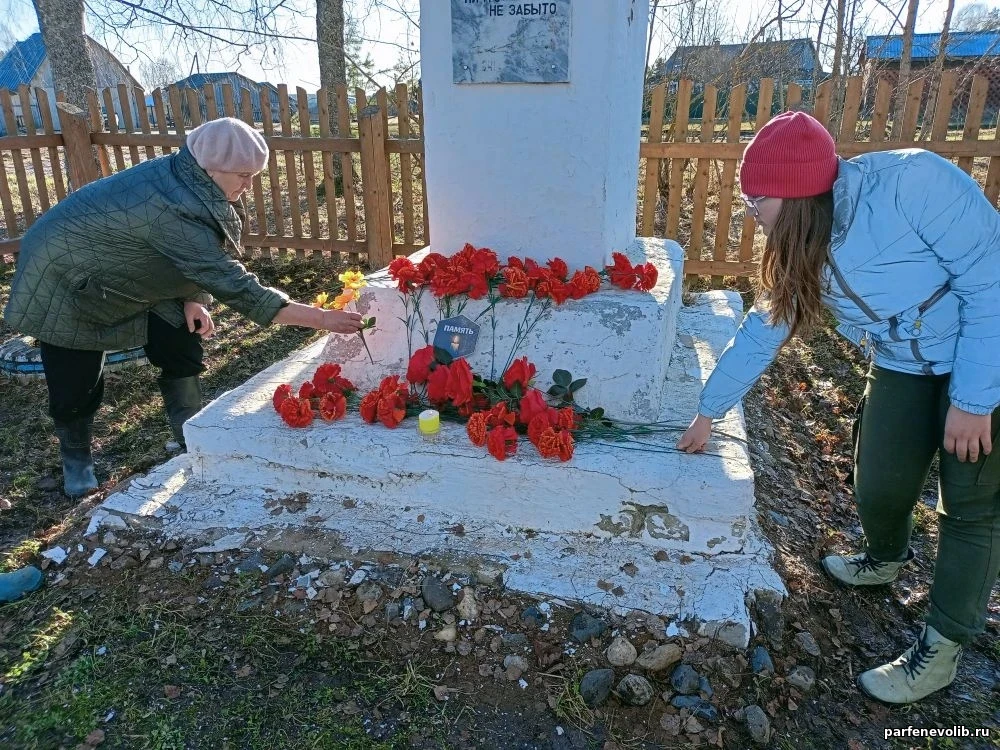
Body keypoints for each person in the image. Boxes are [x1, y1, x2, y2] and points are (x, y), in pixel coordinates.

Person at [675, 111, 1000, 704]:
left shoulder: (915, 183)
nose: (750, 210)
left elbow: (990, 280)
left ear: (797, 194)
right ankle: (885, 559)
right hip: (903, 361)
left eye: (756, 199)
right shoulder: (801, 241)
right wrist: (708, 412)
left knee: (969, 505)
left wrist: (975, 401)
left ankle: (942, 646)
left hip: (984, 354)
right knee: (879, 481)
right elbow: (762, 331)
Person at [3, 117, 364, 498]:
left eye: (253, 175)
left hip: (135, 271)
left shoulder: (193, 181)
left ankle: (187, 431)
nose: (249, 185)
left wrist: (193, 297)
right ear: (211, 167)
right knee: (76, 380)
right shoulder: (170, 205)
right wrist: (321, 318)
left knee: (181, 341)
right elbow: (233, 282)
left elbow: (196, 251)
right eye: (243, 175)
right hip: (68, 278)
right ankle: (76, 460)